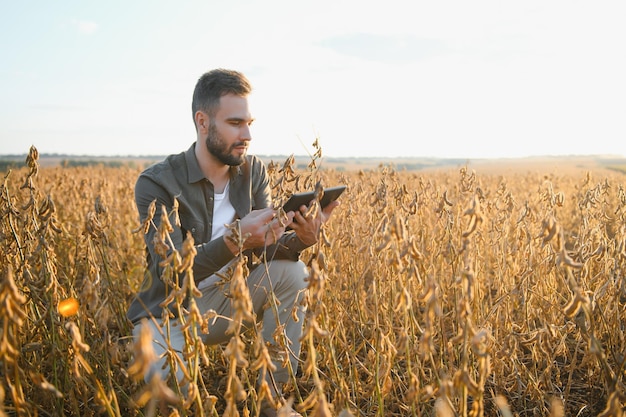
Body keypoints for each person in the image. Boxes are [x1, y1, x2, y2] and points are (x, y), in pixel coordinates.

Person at [126, 68, 338, 417]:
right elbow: (172, 269)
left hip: (229, 302)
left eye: (250, 122)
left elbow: (267, 252)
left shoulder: (252, 172)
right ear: (203, 121)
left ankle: (272, 404)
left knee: (294, 273)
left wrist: (300, 239)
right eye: (236, 123)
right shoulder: (156, 183)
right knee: (171, 397)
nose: (248, 134)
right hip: (168, 313)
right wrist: (236, 239)